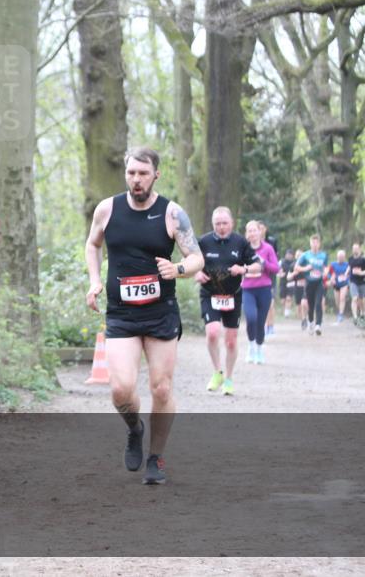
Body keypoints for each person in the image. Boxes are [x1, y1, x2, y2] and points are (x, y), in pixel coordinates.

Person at [85, 147, 204, 485]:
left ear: (156, 175)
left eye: (143, 174)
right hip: (122, 313)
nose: (136, 180)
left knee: (161, 388)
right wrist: (94, 280)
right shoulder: (107, 209)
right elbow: (92, 245)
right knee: (121, 390)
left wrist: (178, 268)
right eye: (131, 173)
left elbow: (196, 257)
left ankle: (157, 457)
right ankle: (134, 428)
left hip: (160, 313)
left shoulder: (172, 213)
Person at [194, 207, 262, 395]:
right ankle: (217, 372)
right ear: (212, 224)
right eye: (217, 224)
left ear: (231, 223)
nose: (221, 227)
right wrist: (197, 272)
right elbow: (191, 261)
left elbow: (258, 265)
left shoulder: (241, 242)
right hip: (210, 293)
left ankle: (229, 379)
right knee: (213, 332)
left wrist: (244, 270)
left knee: (231, 341)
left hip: (233, 295)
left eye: (225, 223)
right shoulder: (204, 242)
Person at [241, 221, 280, 363]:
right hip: (247, 289)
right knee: (251, 318)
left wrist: (263, 263)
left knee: (260, 322)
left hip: (264, 289)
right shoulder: (242, 249)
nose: (252, 233)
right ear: (246, 234)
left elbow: (276, 268)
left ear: (259, 232)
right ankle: (251, 346)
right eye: (249, 231)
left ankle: (259, 349)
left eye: (254, 230)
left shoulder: (268, 248)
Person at [295, 235, 328, 335]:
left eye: (316, 242)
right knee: (311, 305)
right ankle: (311, 322)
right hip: (309, 283)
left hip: (319, 282)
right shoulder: (305, 255)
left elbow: (325, 266)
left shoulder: (323, 255)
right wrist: (306, 269)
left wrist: (325, 272)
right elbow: (296, 267)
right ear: (310, 243)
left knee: (319, 303)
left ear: (319, 244)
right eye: (313, 242)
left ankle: (318, 325)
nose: (315, 244)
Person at [261, 223, 279, 335]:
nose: (260, 230)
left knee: (270, 303)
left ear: (265, 229)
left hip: (270, 275)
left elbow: (276, 259)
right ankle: (262, 325)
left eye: (262, 228)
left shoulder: (272, 241)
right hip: (258, 276)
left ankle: (270, 325)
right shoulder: (252, 243)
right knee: (262, 304)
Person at [348, 242, 365, 318]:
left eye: (356, 248)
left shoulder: (364, 259)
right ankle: (355, 316)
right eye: (353, 249)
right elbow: (350, 267)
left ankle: (362, 312)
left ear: (359, 249)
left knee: (362, 299)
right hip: (353, 281)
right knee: (354, 298)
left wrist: (361, 273)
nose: (355, 250)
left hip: (362, 282)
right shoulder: (350, 259)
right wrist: (346, 272)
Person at [327, 250, 350, 323]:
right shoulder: (333, 264)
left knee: (342, 298)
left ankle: (341, 314)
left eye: (342, 257)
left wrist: (347, 278)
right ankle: (340, 312)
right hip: (336, 284)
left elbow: (350, 274)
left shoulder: (347, 264)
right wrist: (331, 279)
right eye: (340, 257)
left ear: (344, 257)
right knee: (337, 301)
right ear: (337, 257)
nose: (341, 258)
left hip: (344, 284)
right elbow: (328, 273)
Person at [278, 249, 297, 317]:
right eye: (288, 254)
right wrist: (280, 273)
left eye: (290, 254)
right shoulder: (281, 261)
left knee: (289, 298)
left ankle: (287, 313)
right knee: (283, 300)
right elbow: (277, 270)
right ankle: (285, 310)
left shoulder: (295, 263)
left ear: (292, 256)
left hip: (291, 282)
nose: (289, 256)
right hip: (282, 282)